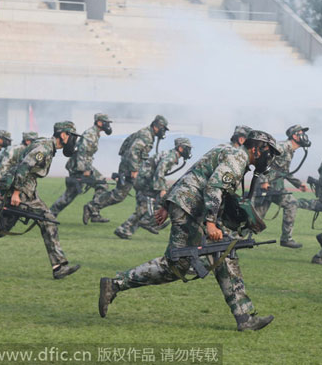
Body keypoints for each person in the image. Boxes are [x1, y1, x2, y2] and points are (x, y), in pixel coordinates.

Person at [98, 130, 279, 331]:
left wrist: (168, 204)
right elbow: (213, 188)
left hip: (188, 206)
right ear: (256, 148)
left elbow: (192, 172)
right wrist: (211, 222)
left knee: (225, 253)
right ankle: (115, 284)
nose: (269, 157)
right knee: (176, 265)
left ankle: (244, 317)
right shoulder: (237, 159)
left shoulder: (227, 150)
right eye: (269, 152)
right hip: (191, 208)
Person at [0, 122, 81, 279]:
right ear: (63, 135)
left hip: (29, 191)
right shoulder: (44, 148)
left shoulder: (46, 146)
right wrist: (16, 192)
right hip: (22, 191)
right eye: (71, 136)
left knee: (48, 220)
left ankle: (59, 266)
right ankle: (58, 267)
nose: (73, 140)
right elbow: (24, 166)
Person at [83, 115, 168, 224]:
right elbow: (133, 151)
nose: (163, 131)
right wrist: (134, 170)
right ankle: (92, 207)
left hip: (130, 166)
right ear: (156, 126)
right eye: (163, 128)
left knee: (122, 194)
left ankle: (93, 208)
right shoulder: (146, 135)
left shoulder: (148, 134)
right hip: (130, 167)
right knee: (121, 194)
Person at [114, 137, 192, 239]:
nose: (189, 151)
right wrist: (162, 189)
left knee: (143, 208)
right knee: (162, 200)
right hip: (145, 182)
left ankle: (125, 229)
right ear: (181, 148)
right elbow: (160, 171)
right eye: (187, 148)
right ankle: (149, 222)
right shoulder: (171, 156)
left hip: (145, 180)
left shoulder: (172, 155)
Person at [254, 124, 310, 248]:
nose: (304, 136)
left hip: (275, 187)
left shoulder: (290, 151)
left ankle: (286, 239)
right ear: (294, 135)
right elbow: (261, 159)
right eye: (301, 133)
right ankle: (229, 238)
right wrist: (263, 181)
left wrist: (298, 184)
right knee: (255, 219)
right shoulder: (282, 146)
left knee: (291, 203)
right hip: (265, 187)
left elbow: (283, 170)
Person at [50, 113, 113, 221]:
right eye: (105, 122)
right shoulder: (90, 134)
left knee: (101, 184)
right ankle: (50, 214)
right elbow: (83, 153)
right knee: (72, 193)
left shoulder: (95, 133)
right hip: (80, 166)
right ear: (99, 122)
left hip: (82, 165)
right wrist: (86, 170)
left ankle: (93, 212)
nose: (107, 125)